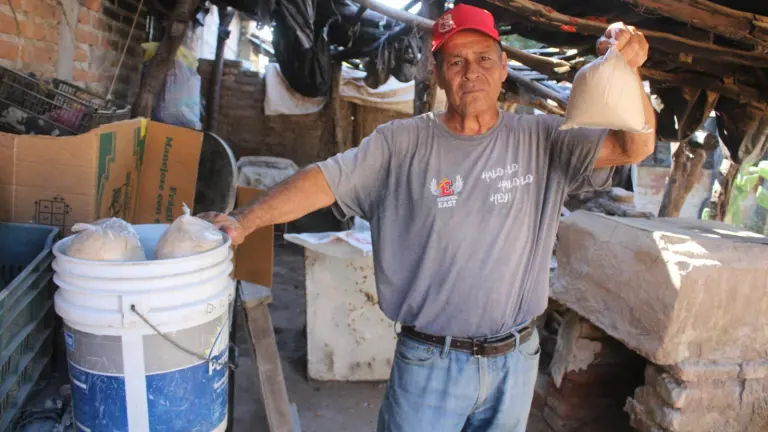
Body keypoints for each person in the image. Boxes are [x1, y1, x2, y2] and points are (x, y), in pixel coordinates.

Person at [202, 4, 655, 431]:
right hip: (430, 363)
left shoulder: (544, 137)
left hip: (517, 360)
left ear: (502, 70)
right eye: (456, 62)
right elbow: (324, 180)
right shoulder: (400, 144)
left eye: (483, 58)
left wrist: (627, 69)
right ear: (437, 73)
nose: (471, 72)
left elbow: (636, 146)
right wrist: (245, 220)